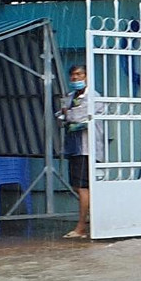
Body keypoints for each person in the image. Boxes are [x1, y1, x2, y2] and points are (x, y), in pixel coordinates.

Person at [57, 64, 92, 239]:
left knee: (83, 187)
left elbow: (75, 116)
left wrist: (66, 115)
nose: (76, 78)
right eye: (73, 75)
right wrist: (65, 115)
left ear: (86, 76)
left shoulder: (93, 96)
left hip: (86, 148)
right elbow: (61, 115)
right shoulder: (70, 97)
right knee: (77, 186)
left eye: (79, 74)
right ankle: (91, 221)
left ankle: (81, 228)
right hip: (74, 147)